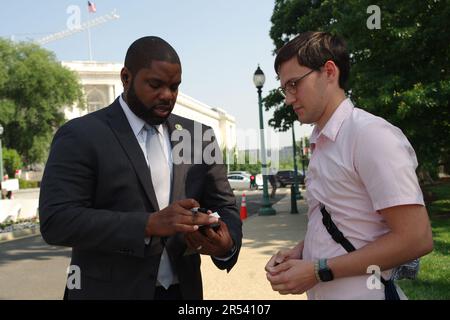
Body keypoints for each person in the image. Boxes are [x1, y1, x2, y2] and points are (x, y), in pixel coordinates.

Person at [39, 36, 242, 300]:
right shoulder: (81, 135)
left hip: (184, 293)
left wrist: (225, 243)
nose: (167, 95)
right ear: (126, 78)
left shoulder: (198, 136)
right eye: (155, 85)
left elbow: (225, 206)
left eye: (174, 86)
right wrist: (147, 225)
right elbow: (57, 221)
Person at [265, 32, 433, 299]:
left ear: (329, 72)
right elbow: (350, 221)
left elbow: (416, 238)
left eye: (295, 84)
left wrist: (317, 270)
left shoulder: (370, 135)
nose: (288, 98)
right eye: (285, 88)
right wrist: (302, 250)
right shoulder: (323, 140)